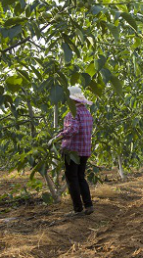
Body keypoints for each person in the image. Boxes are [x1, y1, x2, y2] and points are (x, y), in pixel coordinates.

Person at [48, 86, 94, 216]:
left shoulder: (72, 113)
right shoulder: (87, 113)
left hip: (72, 151)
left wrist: (56, 138)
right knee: (80, 177)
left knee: (72, 179)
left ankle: (77, 209)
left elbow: (72, 129)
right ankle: (88, 205)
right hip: (84, 150)